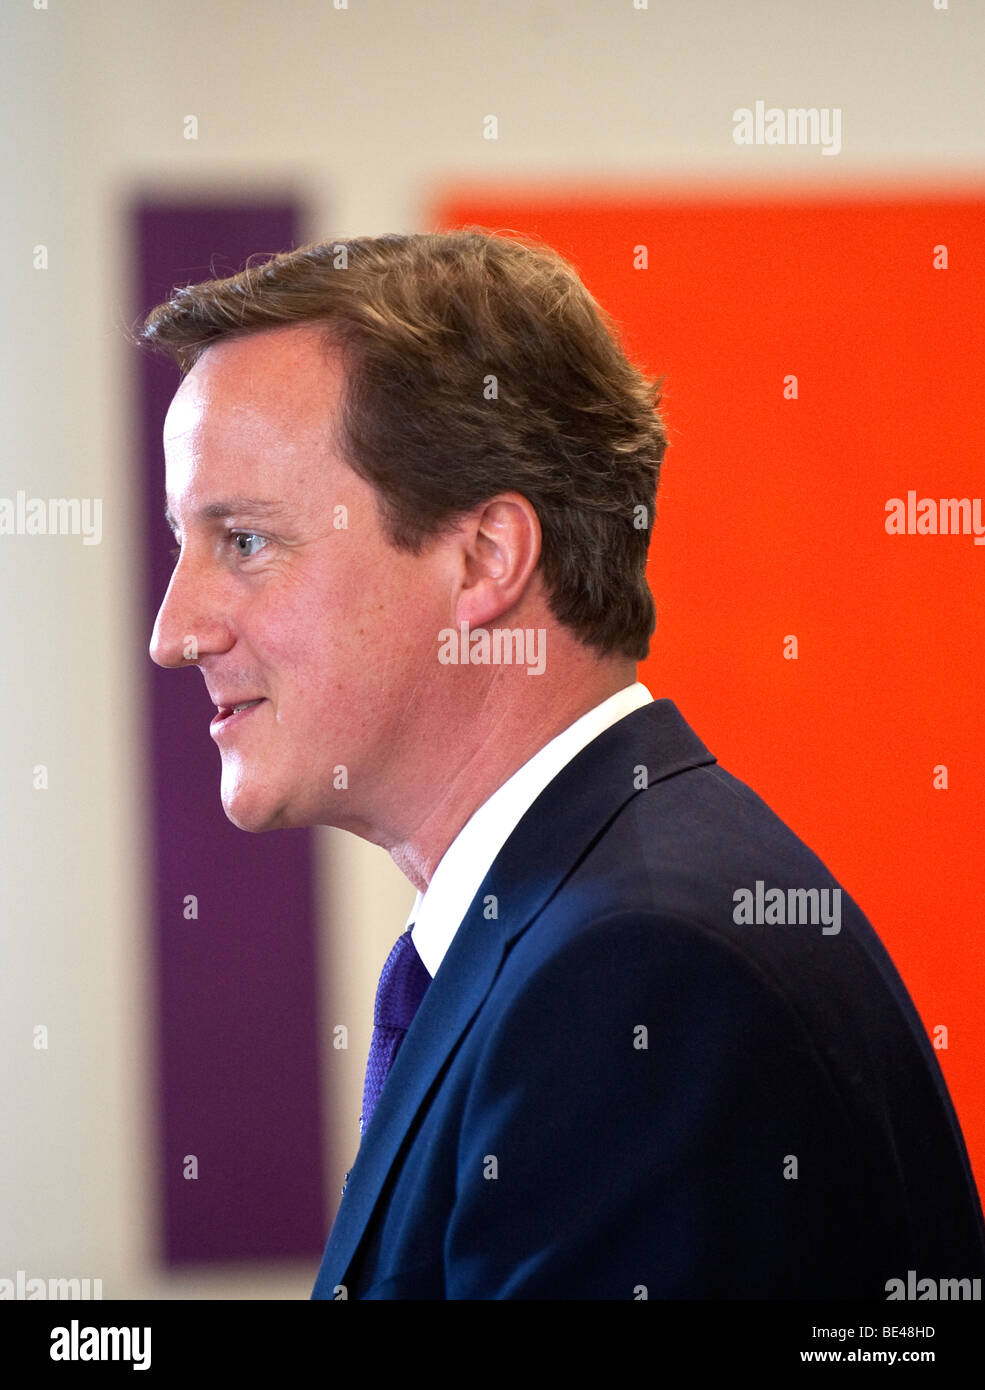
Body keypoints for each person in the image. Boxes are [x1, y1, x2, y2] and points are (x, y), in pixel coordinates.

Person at [141, 229, 985, 1300]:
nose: (176, 629)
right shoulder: (583, 929)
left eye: (245, 541)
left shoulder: (640, 978)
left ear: (484, 558)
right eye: (184, 542)